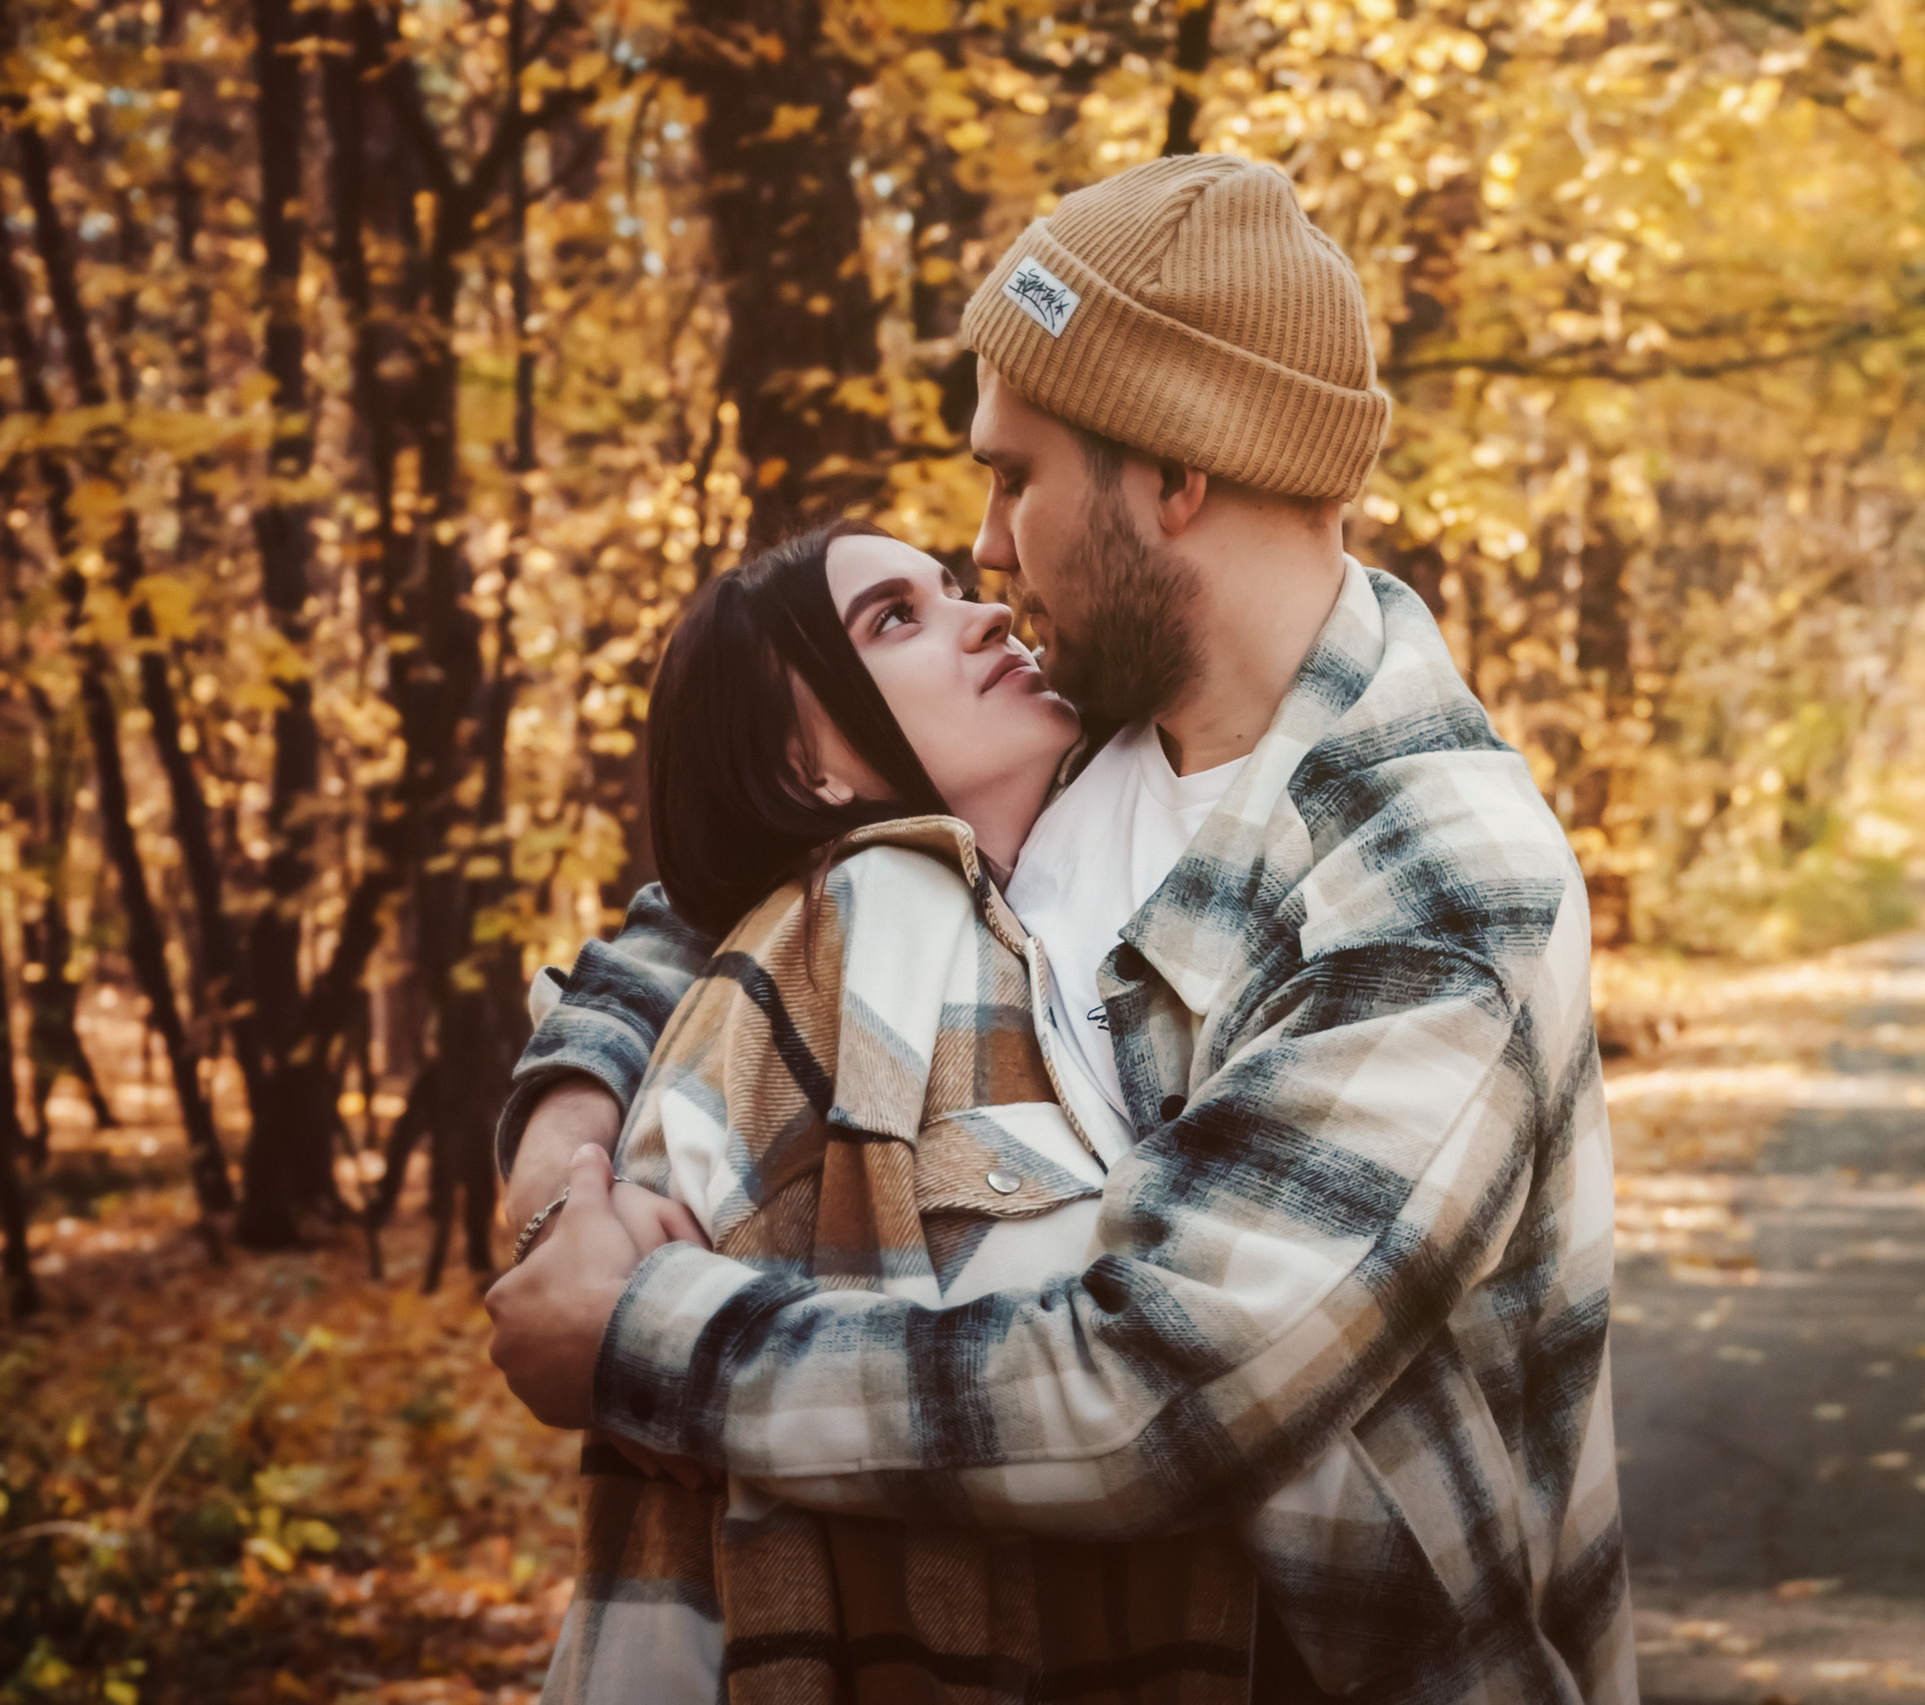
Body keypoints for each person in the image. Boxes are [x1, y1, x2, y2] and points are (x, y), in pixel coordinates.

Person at [487, 152, 1632, 1704]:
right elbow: (713, 898)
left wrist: (640, 1338)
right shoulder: (1083, 733)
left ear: (1176, 474)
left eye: (1015, 475)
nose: (990, 548)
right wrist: (564, 1161)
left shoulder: (1428, 876)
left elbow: (1153, 1392)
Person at [525, 516, 1262, 1703]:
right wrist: (564, 1186)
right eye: (895, 619)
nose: (988, 612)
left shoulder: (1124, 848)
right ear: (803, 769)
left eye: (954, 587)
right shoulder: (836, 942)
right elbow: (663, 1512)